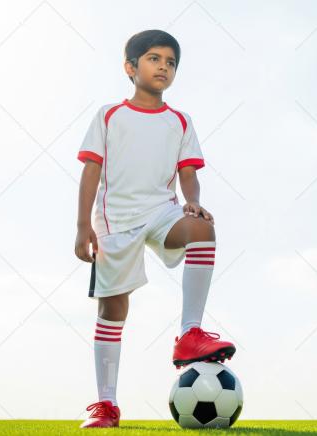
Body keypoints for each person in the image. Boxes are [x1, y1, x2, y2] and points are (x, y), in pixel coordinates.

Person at [73, 29, 235, 429]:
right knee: (114, 309)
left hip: (163, 211)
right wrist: (81, 227)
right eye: (153, 59)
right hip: (116, 221)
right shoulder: (110, 115)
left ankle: (190, 333)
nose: (163, 66)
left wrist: (192, 200)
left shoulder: (181, 121)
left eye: (171, 62)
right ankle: (106, 405)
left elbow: (188, 173)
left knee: (201, 230)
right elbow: (91, 169)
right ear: (130, 67)